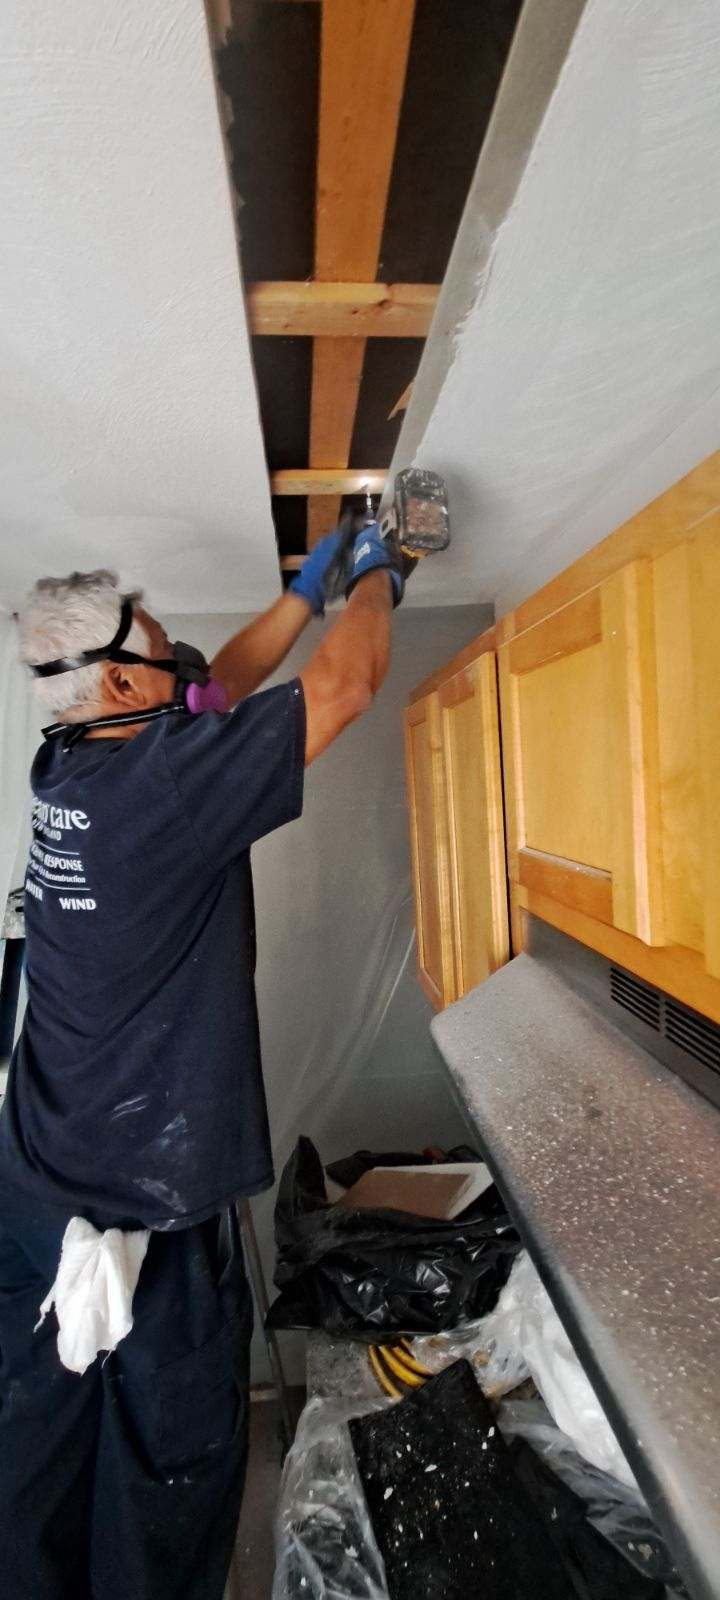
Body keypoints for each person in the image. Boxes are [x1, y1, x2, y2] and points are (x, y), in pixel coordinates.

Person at [0, 523, 402, 1600]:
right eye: (162, 645)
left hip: (46, 1168)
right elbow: (349, 686)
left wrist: (301, 592)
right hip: (154, 1200)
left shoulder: (74, 758)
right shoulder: (163, 785)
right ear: (122, 673)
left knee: (36, 1443)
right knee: (170, 1461)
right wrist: (378, 578)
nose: (182, 656)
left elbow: (206, 690)